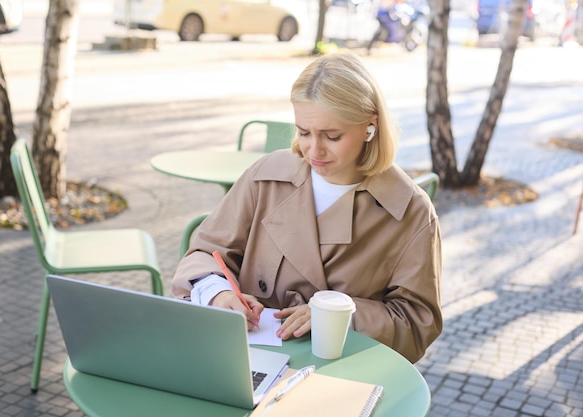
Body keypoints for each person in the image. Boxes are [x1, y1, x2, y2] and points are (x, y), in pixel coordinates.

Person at [172, 52, 442, 363]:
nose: (314, 150)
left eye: (332, 136)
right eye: (303, 132)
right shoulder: (266, 177)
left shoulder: (410, 211)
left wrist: (338, 316)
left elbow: (418, 322)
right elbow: (205, 254)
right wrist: (217, 293)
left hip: (344, 369)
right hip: (247, 360)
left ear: (371, 127)